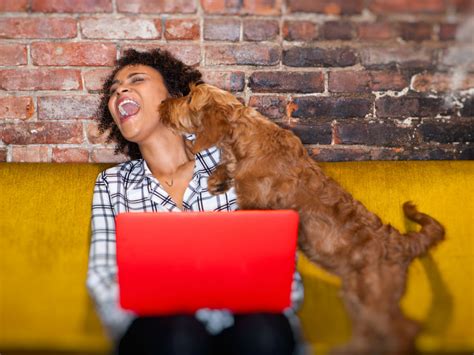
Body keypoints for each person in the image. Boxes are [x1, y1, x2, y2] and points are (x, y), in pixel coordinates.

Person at [86, 48, 304, 355]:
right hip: (160, 330)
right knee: (182, 336)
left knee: (265, 334)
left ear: (175, 96)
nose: (120, 90)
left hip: (242, 324)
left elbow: (281, 276)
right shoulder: (111, 184)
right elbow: (103, 279)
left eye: (136, 79)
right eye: (113, 90)